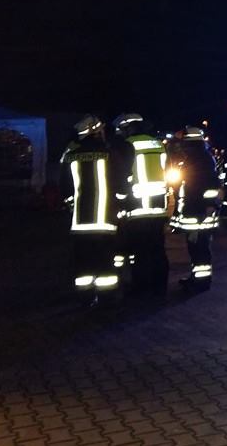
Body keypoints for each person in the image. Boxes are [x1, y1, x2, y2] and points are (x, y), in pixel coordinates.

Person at [60, 115, 123, 305]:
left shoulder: (70, 155)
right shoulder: (110, 154)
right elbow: (121, 185)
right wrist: (120, 207)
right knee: (105, 261)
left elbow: (65, 188)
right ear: (95, 132)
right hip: (106, 220)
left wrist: (72, 207)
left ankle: (84, 297)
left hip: (80, 222)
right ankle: (106, 298)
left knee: (83, 261)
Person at [112, 113, 169, 295]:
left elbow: (122, 177)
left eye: (122, 130)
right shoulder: (158, 144)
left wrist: (120, 202)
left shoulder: (127, 145)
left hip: (137, 209)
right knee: (158, 249)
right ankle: (160, 287)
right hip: (159, 207)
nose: (121, 133)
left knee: (140, 252)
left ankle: (141, 289)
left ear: (128, 128)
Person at [167, 126, 220, 290]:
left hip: (200, 214)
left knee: (200, 249)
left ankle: (201, 282)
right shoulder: (195, 158)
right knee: (195, 248)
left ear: (190, 143)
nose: (181, 146)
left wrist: (208, 207)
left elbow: (211, 187)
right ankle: (196, 278)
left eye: (184, 143)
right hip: (195, 213)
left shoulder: (202, 160)